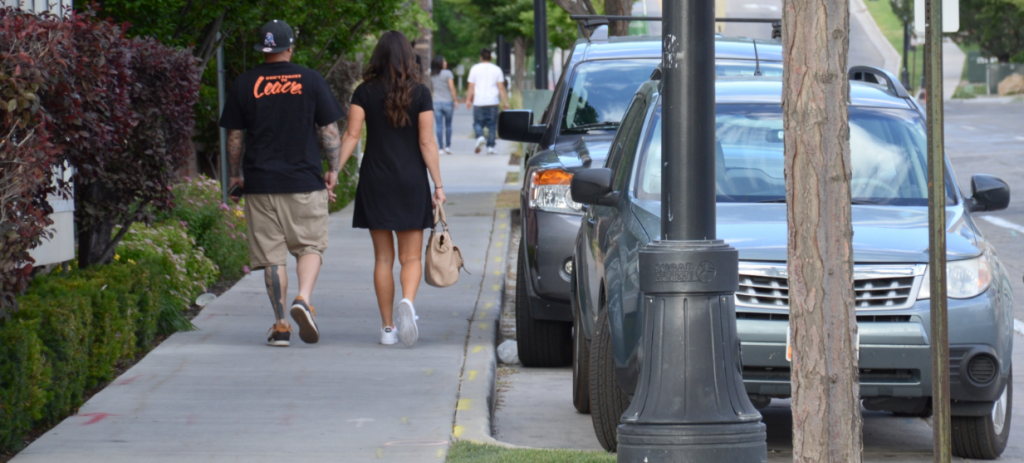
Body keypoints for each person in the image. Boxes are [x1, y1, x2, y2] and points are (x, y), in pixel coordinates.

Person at [220, 20, 345, 348]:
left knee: (272, 258)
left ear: (263, 49)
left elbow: (235, 136)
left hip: (261, 185)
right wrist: (334, 168)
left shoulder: (244, 83)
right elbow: (329, 131)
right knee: (310, 246)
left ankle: (280, 325)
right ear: (290, 47)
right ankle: (303, 298)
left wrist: (235, 174)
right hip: (304, 181)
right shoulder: (311, 79)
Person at [335, 30, 446, 347]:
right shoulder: (421, 93)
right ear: (409, 59)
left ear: (378, 58)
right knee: (410, 258)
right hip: (411, 180)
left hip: (376, 180)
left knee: (383, 258)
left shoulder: (364, 92)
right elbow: (427, 142)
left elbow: (351, 137)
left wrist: (332, 171)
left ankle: (387, 329)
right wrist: (438, 185)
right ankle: (408, 303)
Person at [465, 48, 509, 155]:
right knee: (492, 125)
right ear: (491, 57)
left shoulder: (474, 69)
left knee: (477, 123)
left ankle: (480, 136)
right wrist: (505, 101)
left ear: (481, 57)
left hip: (479, 101)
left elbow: (471, 86)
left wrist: (468, 100)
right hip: (493, 101)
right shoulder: (497, 69)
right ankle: (491, 147)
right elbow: (501, 87)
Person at [430, 55, 458, 155]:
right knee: (448, 125)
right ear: (440, 63)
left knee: (439, 126)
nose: (446, 62)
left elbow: (433, 88)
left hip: (436, 102)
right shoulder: (448, 73)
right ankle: (448, 146)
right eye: (444, 61)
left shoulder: (432, 74)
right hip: (448, 102)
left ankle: (440, 147)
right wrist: (455, 100)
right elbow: (452, 88)